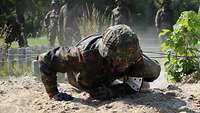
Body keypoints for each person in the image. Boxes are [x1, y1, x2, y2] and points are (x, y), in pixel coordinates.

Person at [38, 25, 161, 101]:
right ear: (106, 53)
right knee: (88, 82)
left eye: (129, 60)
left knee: (154, 70)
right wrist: (53, 93)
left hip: (112, 75)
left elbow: (133, 85)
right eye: (120, 60)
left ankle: (117, 81)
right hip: (83, 77)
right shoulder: (81, 55)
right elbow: (45, 59)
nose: (125, 65)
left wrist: (112, 92)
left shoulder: (134, 56)